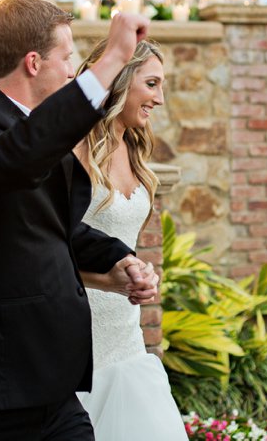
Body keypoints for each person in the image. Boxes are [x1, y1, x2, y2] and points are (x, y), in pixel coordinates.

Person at [0, 0, 160, 441]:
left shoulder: (30, 134)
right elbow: (17, 157)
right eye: (66, 59)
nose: (71, 71)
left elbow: (51, 225)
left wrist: (117, 260)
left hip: (50, 389)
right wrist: (114, 60)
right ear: (33, 62)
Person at [73, 39, 186, 440]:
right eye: (152, 84)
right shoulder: (74, 146)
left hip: (126, 334)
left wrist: (142, 273)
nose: (159, 97)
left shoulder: (133, 147)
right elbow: (54, 240)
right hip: (77, 329)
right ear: (121, 80)